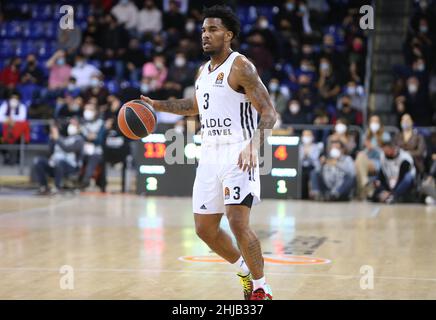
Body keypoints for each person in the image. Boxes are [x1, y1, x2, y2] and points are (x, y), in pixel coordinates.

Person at [140, 5, 277, 300]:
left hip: (239, 150)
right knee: (204, 229)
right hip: (209, 152)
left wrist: (254, 146)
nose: (205, 35)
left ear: (228, 35)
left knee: (237, 221)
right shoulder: (203, 71)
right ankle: (244, 273)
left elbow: (268, 112)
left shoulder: (242, 66)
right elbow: (195, 106)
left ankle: (263, 288)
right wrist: (158, 105)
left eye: (213, 29)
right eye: (203, 29)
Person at [32, 119, 84, 195]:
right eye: (71, 124)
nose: (71, 126)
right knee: (38, 161)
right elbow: (50, 152)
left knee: (60, 162)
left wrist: (57, 139)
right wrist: (52, 139)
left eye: (74, 125)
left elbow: (67, 149)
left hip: (70, 166)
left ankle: (57, 187)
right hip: (55, 164)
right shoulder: (61, 137)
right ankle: (43, 187)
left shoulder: (79, 139)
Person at [354, 115, 390, 199]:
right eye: (372, 121)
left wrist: (373, 147)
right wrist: (365, 150)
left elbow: (386, 152)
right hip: (366, 161)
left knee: (358, 163)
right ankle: (366, 187)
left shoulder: (385, 135)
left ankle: (363, 191)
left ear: (380, 124)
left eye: (376, 122)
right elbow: (365, 152)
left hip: (379, 162)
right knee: (359, 158)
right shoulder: (366, 135)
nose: (374, 124)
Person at [371, 139, 416, 204]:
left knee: (407, 178)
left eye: (387, 150)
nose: (385, 152)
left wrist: (392, 192)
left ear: (393, 149)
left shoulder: (405, 159)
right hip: (389, 180)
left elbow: (401, 177)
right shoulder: (383, 156)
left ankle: (393, 196)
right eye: (384, 150)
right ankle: (384, 195)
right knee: (376, 180)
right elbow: (382, 173)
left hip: (401, 183)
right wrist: (381, 187)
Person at [299, 130, 323, 199]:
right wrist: (304, 154)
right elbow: (299, 159)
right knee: (301, 174)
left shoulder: (317, 147)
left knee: (313, 173)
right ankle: (302, 194)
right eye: (305, 135)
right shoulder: (300, 147)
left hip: (313, 167)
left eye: (308, 135)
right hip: (302, 167)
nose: (306, 137)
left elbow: (315, 159)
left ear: (312, 137)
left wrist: (308, 154)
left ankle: (316, 193)